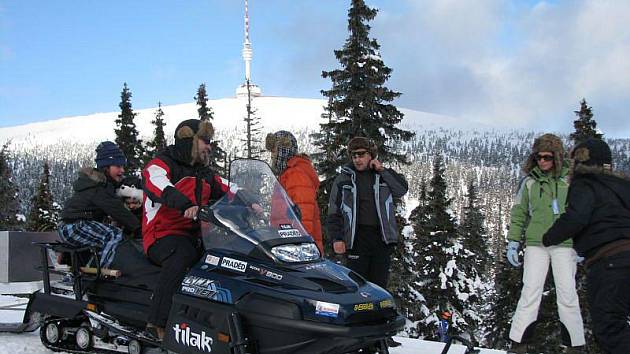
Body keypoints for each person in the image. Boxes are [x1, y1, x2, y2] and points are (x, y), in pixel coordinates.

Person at [543, 138, 630, 354]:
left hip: (609, 261)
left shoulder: (585, 184)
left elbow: (576, 217)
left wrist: (549, 237)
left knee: (610, 327)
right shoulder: (623, 186)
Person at [506, 134, 585, 353]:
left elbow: (581, 212)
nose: (542, 161)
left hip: (565, 243)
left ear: (557, 157)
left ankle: (575, 346)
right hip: (536, 244)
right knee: (530, 292)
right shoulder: (529, 182)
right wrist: (513, 241)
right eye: (539, 157)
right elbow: (519, 213)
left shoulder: (570, 180)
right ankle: (518, 344)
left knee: (567, 294)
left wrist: (582, 244)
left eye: (547, 157)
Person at [327, 136, 408, 348]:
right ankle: (360, 336)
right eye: (354, 155)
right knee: (358, 289)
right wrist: (337, 238)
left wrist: (382, 170)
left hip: (381, 238)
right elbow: (333, 212)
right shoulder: (344, 179)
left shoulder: (382, 176)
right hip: (356, 239)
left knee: (380, 287)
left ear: (371, 155)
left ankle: (380, 334)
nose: (357, 159)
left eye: (361, 154)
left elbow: (401, 190)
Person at [58, 141, 140, 268]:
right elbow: (117, 210)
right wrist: (138, 227)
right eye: (118, 166)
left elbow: (121, 182)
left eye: (123, 166)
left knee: (108, 234)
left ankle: (84, 269)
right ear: (106, 167)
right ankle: (101, 273)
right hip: (75, 226)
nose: (122, 170)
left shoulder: (101, 182)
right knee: (113, 235)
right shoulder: (98, 187)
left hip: (74, 225)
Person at [265, 130, 323, 252]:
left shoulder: (295, 174)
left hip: (296, 248)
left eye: (274, 151)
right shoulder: (287, 173)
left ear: (282, 151)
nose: (272, 156)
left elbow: (304, 215)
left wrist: (302, 246)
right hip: (287, 243)